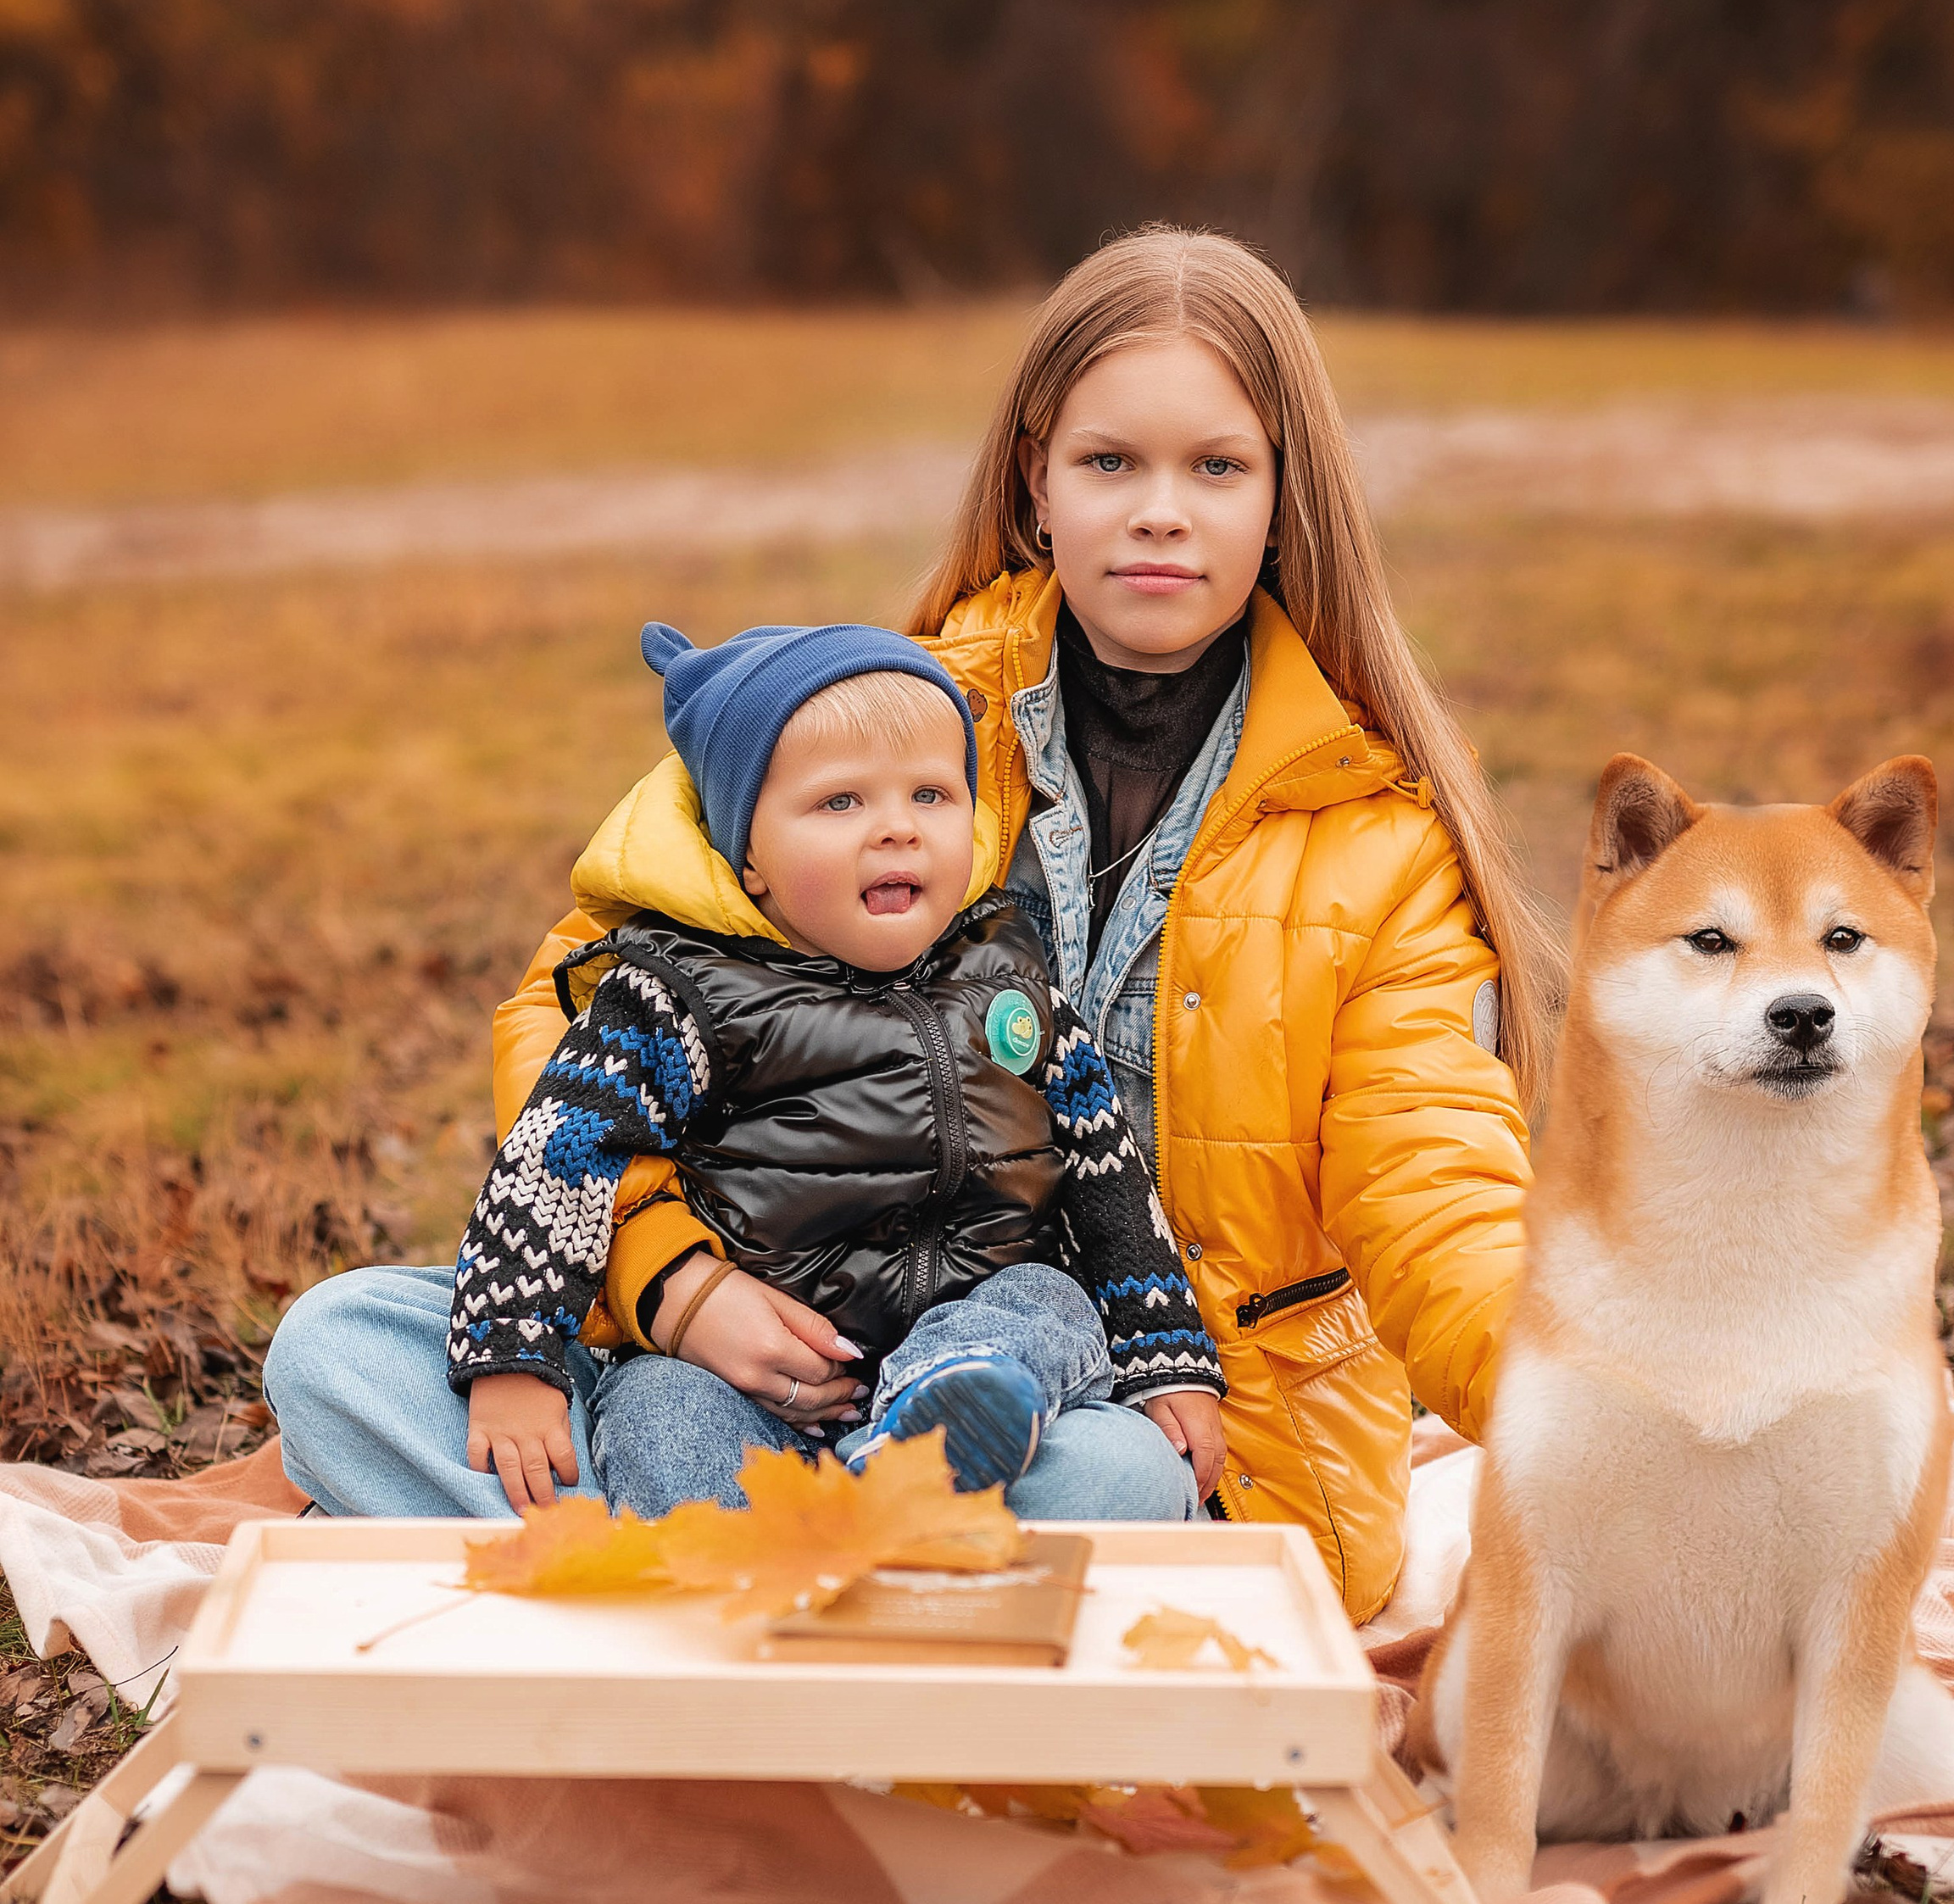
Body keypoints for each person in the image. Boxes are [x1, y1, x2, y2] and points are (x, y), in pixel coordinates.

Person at [267, 225, 1556, 1614]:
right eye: (1111, 462)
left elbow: (1437, 1190)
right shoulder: (889, 717)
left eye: (1218, 466)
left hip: (1092, 1395)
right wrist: (679, 1287)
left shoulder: (1379, 838)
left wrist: (1574, 1401)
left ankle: (706, 1584)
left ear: (1286, 494)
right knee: (339, 1349)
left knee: (1112, 1491)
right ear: (1037, 483)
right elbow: (580, 1013)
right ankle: (838, 1590)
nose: (1161, 510)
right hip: (766, 1325)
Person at [453, 617, 1222, 1517]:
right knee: (659, 1407)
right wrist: (513, 1354)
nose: (897, 830)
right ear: (748, 858)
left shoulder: (1009, 975)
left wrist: (1166, 1358)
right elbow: (560, 1155)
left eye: (931, 796)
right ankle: (728, 1574)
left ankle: (925, 1442)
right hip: (748, 1371)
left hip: (963, 1345)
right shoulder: (679, 993)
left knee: (1047, 1299)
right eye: (841, 803)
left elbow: (1108, 1180)